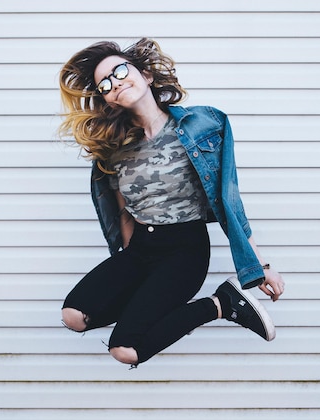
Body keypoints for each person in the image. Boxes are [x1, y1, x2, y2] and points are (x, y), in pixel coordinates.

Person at [57, 38, 285, 367]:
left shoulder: (204, 125)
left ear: (146, 75)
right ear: (107, 100)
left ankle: (220, 304)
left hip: (185, 251)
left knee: (125, 351)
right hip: (141, 249)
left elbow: (229, 200)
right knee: (73, 315)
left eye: (120, 70)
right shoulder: (112, 150)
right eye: (105, 84)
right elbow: (121, 211)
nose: (115, 82)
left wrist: (258, 266)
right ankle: (161, 305)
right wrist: (127, 265)